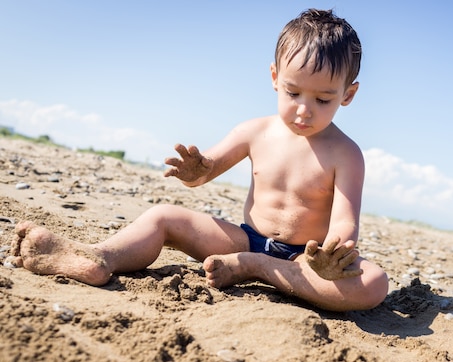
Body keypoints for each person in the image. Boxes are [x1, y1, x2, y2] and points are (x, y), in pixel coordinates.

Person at [10, 8, 388, 312]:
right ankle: (98, 257)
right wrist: (196, 170)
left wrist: (333, 256)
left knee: (374, 283)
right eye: (293, 93)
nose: (304, 110)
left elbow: (344, 220)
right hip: (245, 238)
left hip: (306, 261)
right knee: (162, 216)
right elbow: (204, 172)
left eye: (323, 99)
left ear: (348, 95)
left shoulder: (346, 154)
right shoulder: (255, 131)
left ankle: (260, 269)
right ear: (275, 78)